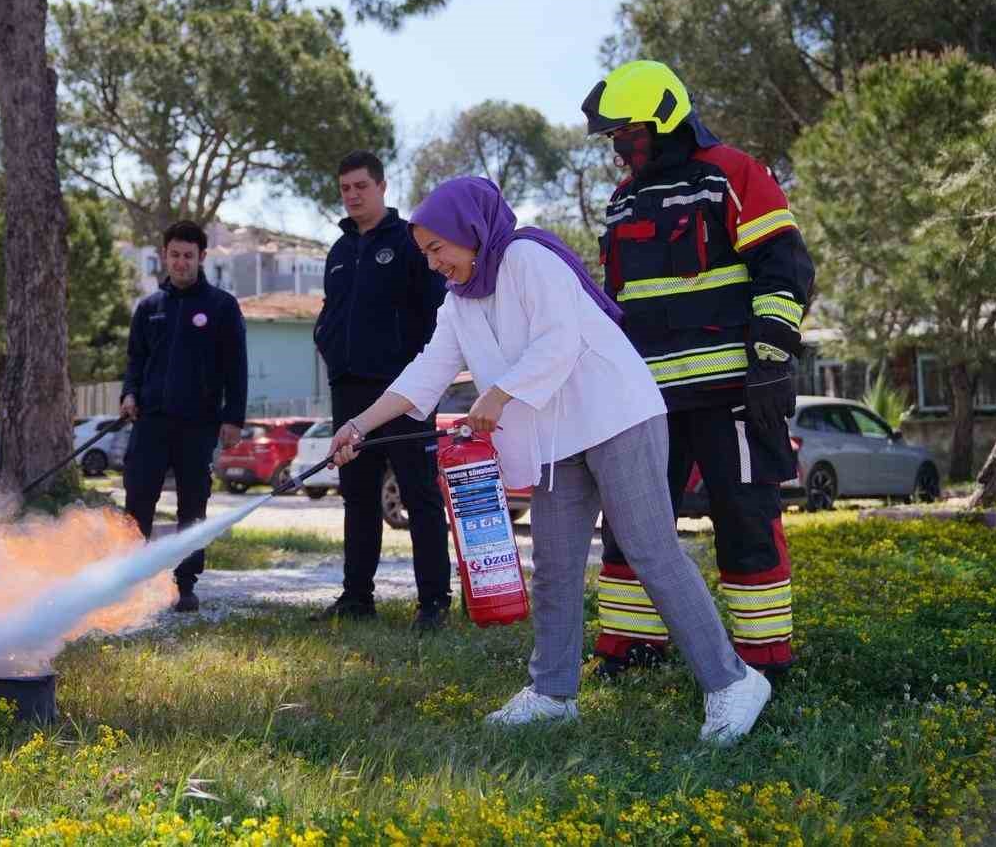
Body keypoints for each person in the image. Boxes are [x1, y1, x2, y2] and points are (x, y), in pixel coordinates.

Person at [326, 176, 772, 743]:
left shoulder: (527, 258)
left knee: (651, 550)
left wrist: (499, 393)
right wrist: (360, 425)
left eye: (437, 248)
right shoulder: (458, 304)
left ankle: (732, 683)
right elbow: (426, 373)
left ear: (470, 231)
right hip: (555, 442)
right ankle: (552, 694)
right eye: (425, 253)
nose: (433, 262)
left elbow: (559, 340)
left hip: (617, 415)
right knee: (556, 569)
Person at [583, 61, 815, 679]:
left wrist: (770, 361)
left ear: (662, 118)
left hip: (732, 396)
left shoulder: (732, 174)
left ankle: (764, 659)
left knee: (745, 520)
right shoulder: (622, 199)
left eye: (622, 133)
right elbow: (618, 302)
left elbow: (785, 268)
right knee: (629, 526)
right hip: (646, 404)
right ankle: (630, 650)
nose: (616, 149)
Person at [312, 150, 452, 631]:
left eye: (360, 186)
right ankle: (357, 598)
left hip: (405, 389)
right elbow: (332, 312)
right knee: (357, 495)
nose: (352, 195)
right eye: (345, 188)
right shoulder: (339, 250)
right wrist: (327, 342)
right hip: (349, 388)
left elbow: (438, 315)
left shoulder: (411, 241)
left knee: (420, 492)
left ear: (382, 187)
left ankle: (433, 602)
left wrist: (418, 372)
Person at [120, 220, 247, 613]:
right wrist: (128, 394)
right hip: (151, 422)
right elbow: (135, 362)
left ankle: (185, 582)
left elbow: (236, 368)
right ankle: (131, 581)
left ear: (202, 257)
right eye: (174, 255)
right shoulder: (149, 308)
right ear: (165, 255)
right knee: (139, 498)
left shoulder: (222, 307)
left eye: (188, 256)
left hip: (199, 424)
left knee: (193, 505)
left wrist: (233, 419)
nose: (180, 262)